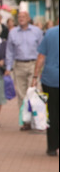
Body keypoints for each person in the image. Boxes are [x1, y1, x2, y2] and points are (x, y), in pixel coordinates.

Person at [5, 11, 43, 131]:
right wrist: (8, 67)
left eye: (23, 17)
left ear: (28, 18)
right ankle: (25, 121)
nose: (21, 19)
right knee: (22, 94)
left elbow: (42, 49)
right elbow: (9, 51)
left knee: (35, 92)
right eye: (19, 17)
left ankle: (37, 120)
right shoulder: (13, 32)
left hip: (34, 64)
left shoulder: (37, 31)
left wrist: (42, 66)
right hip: (19, 65)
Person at [31, 25, 59, 156]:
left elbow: (41, 56)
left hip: (50, 78)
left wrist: (35, 76)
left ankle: (52, 147)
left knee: (52, 113)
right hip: (51, 78)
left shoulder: (50, 33)